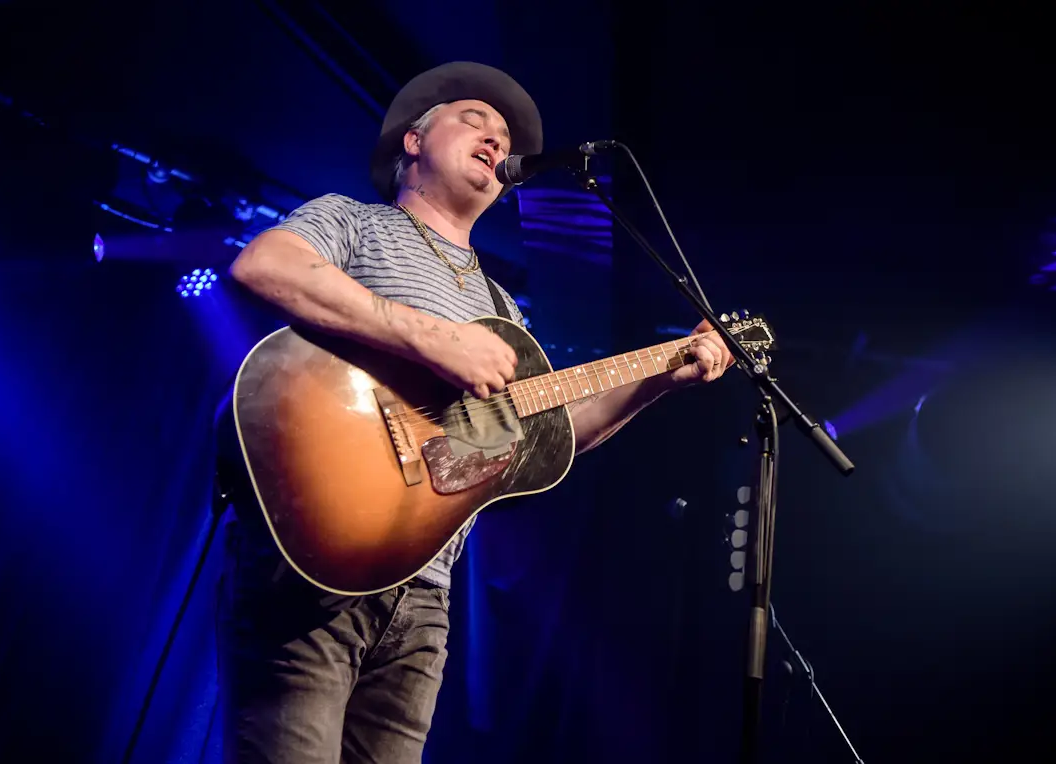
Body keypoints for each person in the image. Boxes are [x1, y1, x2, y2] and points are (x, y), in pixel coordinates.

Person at [215, 61, 732, 764]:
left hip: (425, 599)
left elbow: (549, 435)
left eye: (504, 138)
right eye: (474, 121)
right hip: (312, 563)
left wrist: (661, 378)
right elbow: (266, 266)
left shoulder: (502, 309)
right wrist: (431, 336)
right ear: (413, 143)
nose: (496, 139)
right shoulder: (355, 221)